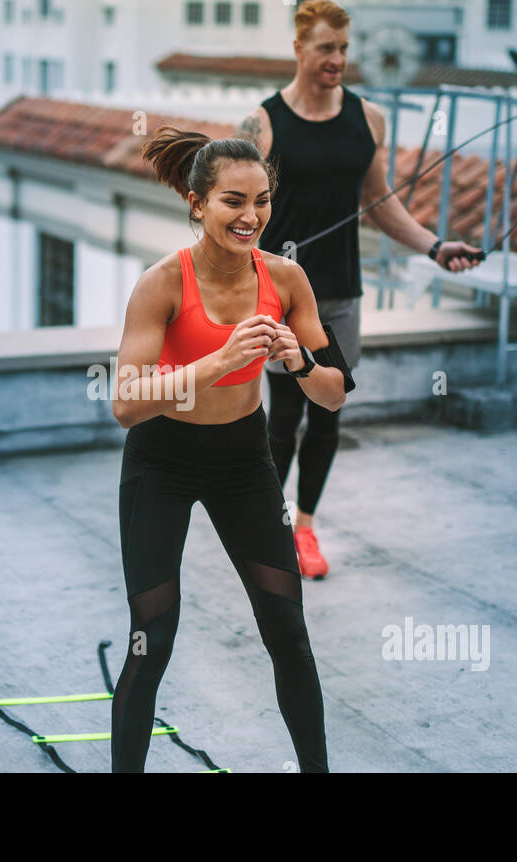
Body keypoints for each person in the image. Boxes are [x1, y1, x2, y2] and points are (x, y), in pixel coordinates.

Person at [109, 125, 353, 772]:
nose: (251, 217)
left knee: (289, 633)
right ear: (197, 205)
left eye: (262, 201)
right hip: (160, 460)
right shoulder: (161, 284)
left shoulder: (287, 279)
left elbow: (333, 395)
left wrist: (299, 360)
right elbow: (126, 404)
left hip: (243, 463)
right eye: (233, 202)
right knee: (150, 639)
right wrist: (216, 363)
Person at [238, 0, 481, 578]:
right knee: (283, 417)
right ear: (299, 49)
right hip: (281, 294)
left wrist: (433, 246)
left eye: (345, 49)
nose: (338, 60)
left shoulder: (368, 118)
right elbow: (238, 213)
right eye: (326, 48)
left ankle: (305, 530)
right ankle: (267, 532)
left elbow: (380, 204)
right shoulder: (262, 124)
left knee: (329, 411)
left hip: (341, 293)